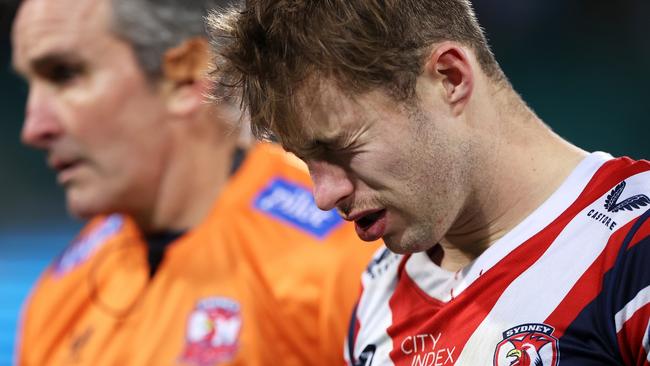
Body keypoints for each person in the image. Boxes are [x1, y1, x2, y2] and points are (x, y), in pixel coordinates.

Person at [209, 1, 650, 365]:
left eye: (338, 147)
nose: (324, 196)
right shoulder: (375, 301)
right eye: (306, 160)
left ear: (450, 77)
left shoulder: (635, 247)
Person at [11, 0, 380, 364]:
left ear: (185, 77)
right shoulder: (58, 296)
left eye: (64, 74)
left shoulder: (344, 259)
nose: (33, 128)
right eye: (30, 85)